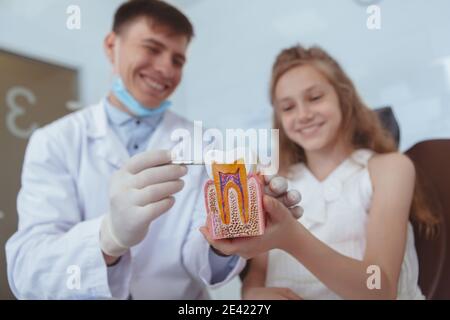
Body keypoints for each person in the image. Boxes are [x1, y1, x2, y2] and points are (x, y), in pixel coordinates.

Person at [5, 0, 300, 299]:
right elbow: (28, 269)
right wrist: (109, 238)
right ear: (111, 45)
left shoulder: (205, 143)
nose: (165, 69)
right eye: (152, 48)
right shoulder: (55, 141)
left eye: (177, 60)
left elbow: (201, 262)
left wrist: (227, 235)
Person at [201, 45, 439, 300]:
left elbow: (379, 290)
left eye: (315, 98)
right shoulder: (272, 181)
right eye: (288, 107)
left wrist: (291, 238)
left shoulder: (389, 169)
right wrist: (255, 296)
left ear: (343, 97)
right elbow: (254, 284)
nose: (303, 115)